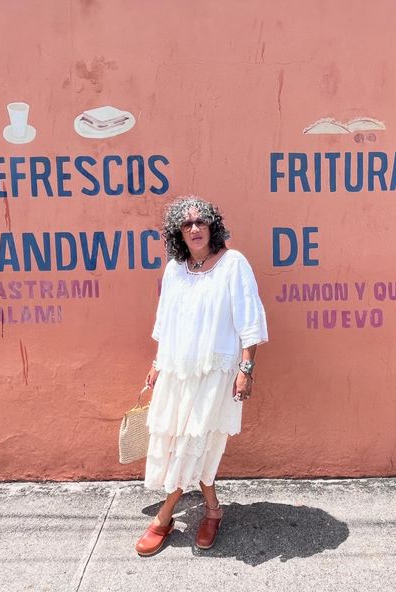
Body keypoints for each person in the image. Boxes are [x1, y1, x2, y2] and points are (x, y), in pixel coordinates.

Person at [135, 195, 268, 556]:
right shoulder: (175, 269)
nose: (194, 228)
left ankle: (164, 517)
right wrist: (157, 365)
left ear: (212, 226)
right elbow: (166, 322)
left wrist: (247, 370)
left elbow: (250, 321)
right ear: (178, 232)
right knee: (187, 442)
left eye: (200, 221)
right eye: (186, 224)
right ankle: (212, 510)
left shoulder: (233, 264)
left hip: (216, 372)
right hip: (178, 370)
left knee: (193, 443)